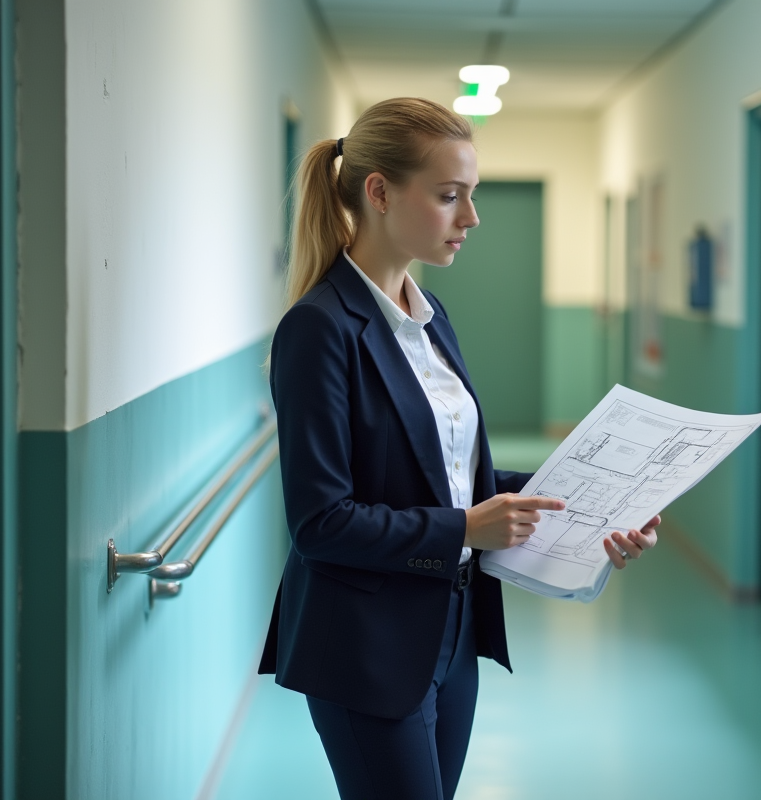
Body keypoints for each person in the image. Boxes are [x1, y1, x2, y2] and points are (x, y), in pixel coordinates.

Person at [257, 97, 660, 800]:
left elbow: (452, 478)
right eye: (450, 197)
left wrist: (601, 506)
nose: (471, 218)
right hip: (365, 647)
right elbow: (320, 523)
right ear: (379, 192)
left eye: (469, 196)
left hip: (451, 632)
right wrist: (465, 529)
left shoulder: (432, 315)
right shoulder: (320, 329)